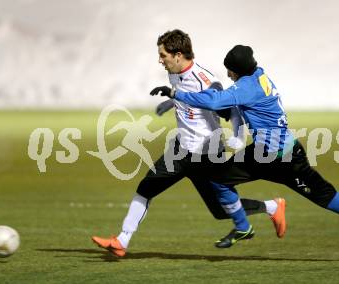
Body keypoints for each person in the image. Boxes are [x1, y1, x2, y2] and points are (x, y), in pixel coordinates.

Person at [151, 44, 339, 262]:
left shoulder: (247, 87)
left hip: (277, 158)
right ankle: (242, 227)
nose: (227, 73)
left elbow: (217, 102)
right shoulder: (259, 76)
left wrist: (176, 94)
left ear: (237, 69)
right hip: (274, 153)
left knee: (325, 198)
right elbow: (224, 101)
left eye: (229, 69)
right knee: (219, 178)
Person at [91, 31, 286, 257]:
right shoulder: (174, 73)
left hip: (207, 154)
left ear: (178, 55)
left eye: (163, 55)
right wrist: (172, 102)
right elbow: (189, 99)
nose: (160, 60)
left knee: (220, 211)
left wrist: (237, 136)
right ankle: (122, 241)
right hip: (180, 150)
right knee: (145, 189)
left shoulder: (206, 81)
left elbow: (230, 110)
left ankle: (272, 207)